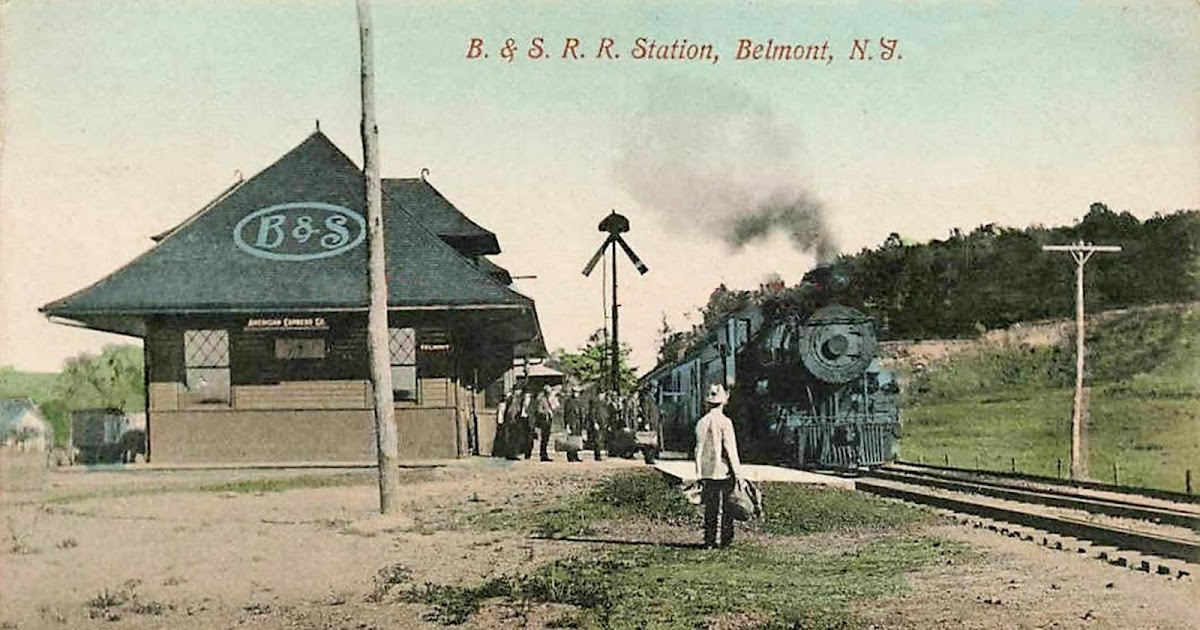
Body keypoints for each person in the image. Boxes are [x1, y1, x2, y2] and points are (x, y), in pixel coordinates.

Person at [694, 383, 743, 549]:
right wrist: (738, 473)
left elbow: (698, 449)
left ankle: (709, 540)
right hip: (724, 470)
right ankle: (725, 540)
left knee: (711, 507)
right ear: (723, 402)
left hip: (707, 471)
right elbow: (730, 448)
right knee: (728, 506)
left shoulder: (701, 422)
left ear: (708, 402)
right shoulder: (725, 422)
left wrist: (699, 472)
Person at [532, 385, 555, 462]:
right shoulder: (542, 400)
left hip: (548, 420)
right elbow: (539, 410)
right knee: (544, 438)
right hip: (543, 421)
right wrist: (546, 412)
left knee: (546, 438)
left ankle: (545, 454)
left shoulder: (547, 399)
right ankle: (543, 455)